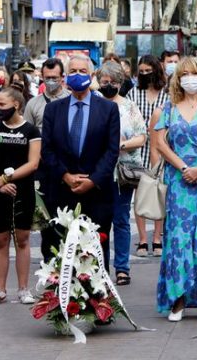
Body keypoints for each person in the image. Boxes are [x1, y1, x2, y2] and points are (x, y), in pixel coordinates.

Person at [151, 56, 197, 321]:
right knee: (179, 238)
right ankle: (178, 299)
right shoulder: (169, 108)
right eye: (184, 74)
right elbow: (160, 143)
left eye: (195, 73)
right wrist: (184, 168)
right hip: (178, 180)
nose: (190, 78)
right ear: (177, 79)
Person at [40, 54, 120, 266]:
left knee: (95, 251)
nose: (78, 75)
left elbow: (112, 151)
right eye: (73, 71)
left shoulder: (108, 109)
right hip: (60, 191)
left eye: (82, 71)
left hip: (97, 193)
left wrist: (92, 180)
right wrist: (65, 176)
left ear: (92, 75)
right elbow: (46, 150)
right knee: (59, 248)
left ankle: (98, 296)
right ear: (66, 77)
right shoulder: (53, 109)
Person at [0, 88, 41, 306]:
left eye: (2, 105)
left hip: (22, 190)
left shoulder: (31, 130)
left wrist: (6, 180)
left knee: (22, 239)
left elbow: (33, 163)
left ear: (16, 104)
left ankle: (24, 289)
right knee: (0, 240)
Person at [97, 61, 147, 286]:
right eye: (104, 82)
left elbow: (142, 137)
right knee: (99, 221)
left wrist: (121, 145)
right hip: (98, 172)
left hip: (123, 172)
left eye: (113, 82)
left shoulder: (129, 106)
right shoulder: (94, 104)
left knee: (121, 219)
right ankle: (100, 266)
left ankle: (122, 268)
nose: (108, 85)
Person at [126, 55, 169, 258]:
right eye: (141, 71)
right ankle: (143, 239)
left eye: (148, 71)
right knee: (140, 193)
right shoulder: (134, 93)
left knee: (160, 193)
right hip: (138, 148)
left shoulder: (167, 94)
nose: (145, 75)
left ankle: (157, 237)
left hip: (163, 147)